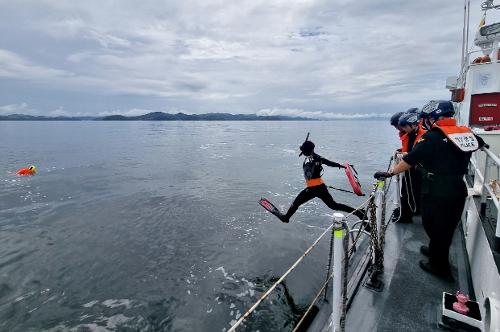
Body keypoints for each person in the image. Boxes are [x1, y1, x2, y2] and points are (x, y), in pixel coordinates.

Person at [374, 100, 486, 281]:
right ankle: (435, 251)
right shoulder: (465, 132)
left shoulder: (432, 138)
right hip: (458, 187)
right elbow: (480, 143)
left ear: (434, 118)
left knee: (433, 224)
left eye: (428, 118)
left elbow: (410, 159)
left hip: (437, 190)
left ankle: (439, 267)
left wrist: (390, 173)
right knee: (446, 226)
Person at [278, 138, 365, 223]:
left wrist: (342, 166)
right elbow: (328, 162)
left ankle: (286, 218)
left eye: (305, 150)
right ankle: (359, 213)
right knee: (333, 205)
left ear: (311, 150)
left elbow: (329, 163)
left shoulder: (316, 158)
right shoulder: (316, 157)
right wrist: (341, 165)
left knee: (296, 203)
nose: (303, 152)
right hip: (319, 187)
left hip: (314, 188)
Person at [396, 112, 426, 221]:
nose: (403, 129)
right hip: (409, 170)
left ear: (413, 125)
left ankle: (415, 213)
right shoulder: (408, 136)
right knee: (406, 192)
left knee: (418, 192)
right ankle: (406, 215)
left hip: (420, 170)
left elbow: (421, 154)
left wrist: (407, 155)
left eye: (405, 126)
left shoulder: (425, 136)